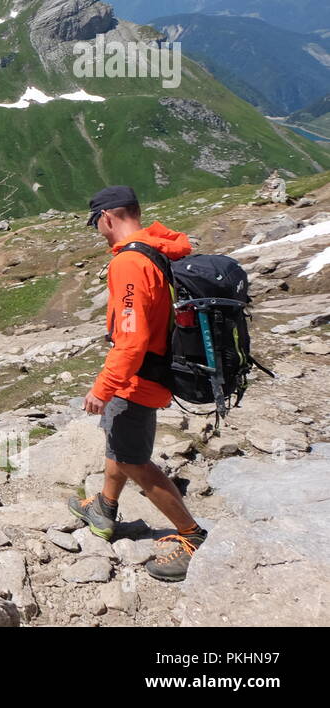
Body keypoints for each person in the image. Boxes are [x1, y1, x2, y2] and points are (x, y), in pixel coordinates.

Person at [67, 185, 207, 582]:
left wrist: (103, 388)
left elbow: (130, 339)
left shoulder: (128, 263)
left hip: (138, 378)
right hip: (151, 370)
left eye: (97, 223)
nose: (98, 230)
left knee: (134, 460)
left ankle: (191, 535)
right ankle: (104, 508)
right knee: (121, 443)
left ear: (108, 217)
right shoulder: (153, 249)